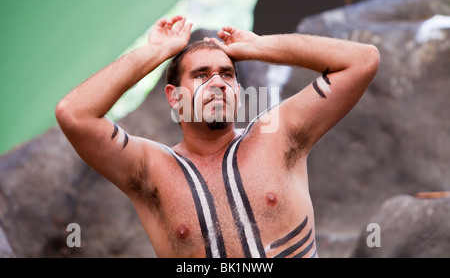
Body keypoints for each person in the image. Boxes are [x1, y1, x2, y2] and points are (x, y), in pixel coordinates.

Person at [55, 15, 379, 258]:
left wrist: (259, 47)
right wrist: (156, 51)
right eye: (201, 75)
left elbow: (362, 60)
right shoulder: (149, 170)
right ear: (174, 96)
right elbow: (74, 113)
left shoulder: (280, 135)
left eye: (226, 74)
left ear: (237, 89)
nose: (218, 83)